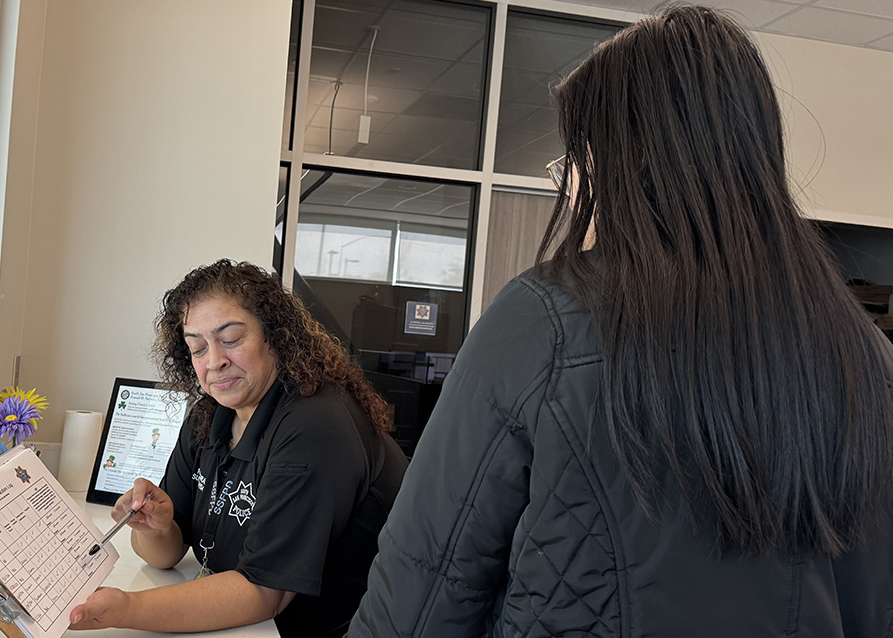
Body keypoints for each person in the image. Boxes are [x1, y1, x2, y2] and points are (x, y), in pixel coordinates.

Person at [350, 6, 893, 637]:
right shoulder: (869, 358)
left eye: (572, 163)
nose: (569, 189)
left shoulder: (542, 324)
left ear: (619, 162)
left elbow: (426, 585)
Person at [69, 259, 407, 637]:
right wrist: (154, 527)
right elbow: (167, 553)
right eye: (197, 348)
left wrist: (126, 609)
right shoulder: (209, 416)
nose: (215, 361)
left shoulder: (315, 424)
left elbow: (265, 592)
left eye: (231, 340)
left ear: (275, 336)